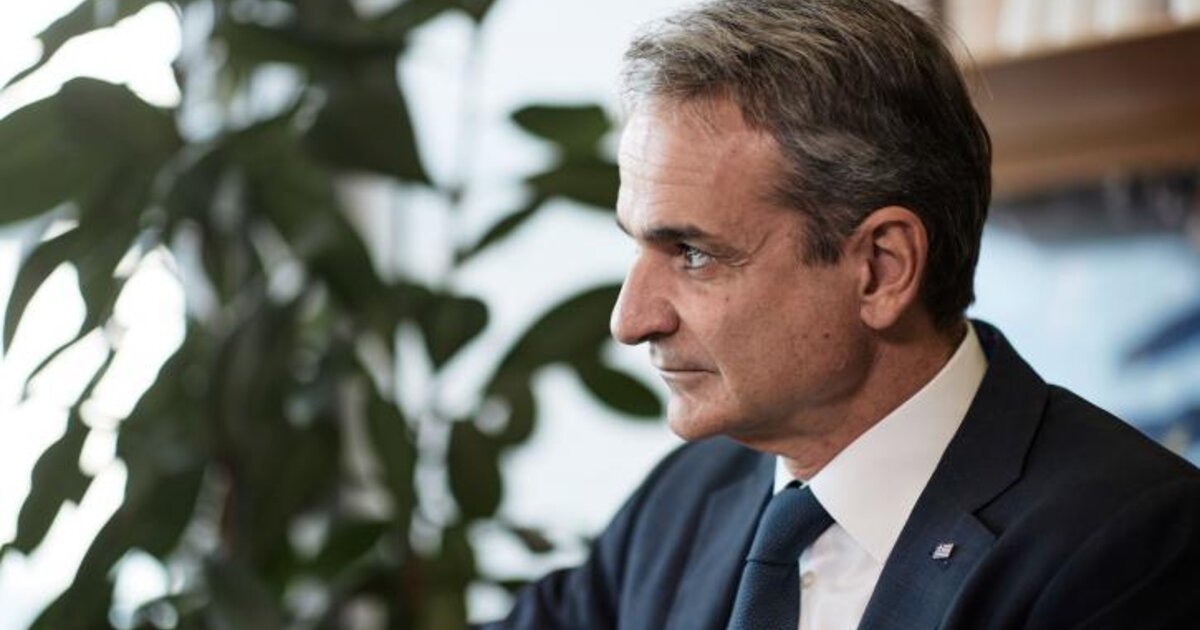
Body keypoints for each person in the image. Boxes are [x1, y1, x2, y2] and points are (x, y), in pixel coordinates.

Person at [481, 0, 1200, 628]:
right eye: (638, 246)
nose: (630, 320)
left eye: (693, 253)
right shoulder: (687, 497)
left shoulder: (1132, 546)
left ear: (882, 268)